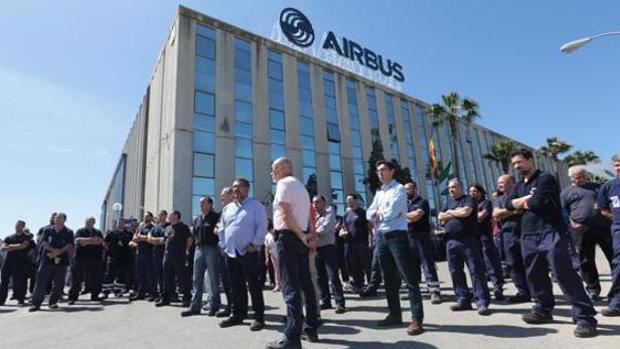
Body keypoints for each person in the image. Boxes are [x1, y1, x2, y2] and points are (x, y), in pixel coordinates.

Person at [506, 149, 597, 337]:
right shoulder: (518, 186)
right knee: (535, 275)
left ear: (530, 160)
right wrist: (523, 202)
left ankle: (584, 317)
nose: (517, 166)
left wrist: (519, 204)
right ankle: (542, 310)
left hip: (551, 232)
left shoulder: (545, 178)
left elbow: (537, 202)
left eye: (520, 162)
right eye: (514, 164)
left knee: (564, 273)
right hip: (528, 234)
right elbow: (507, 203)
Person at [267, 157, 320, 349]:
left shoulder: (283, 184)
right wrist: (307, 235)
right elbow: (306, 215)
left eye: (273, 169)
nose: (272, 173)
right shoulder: (301, 186)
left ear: (281, 169)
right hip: (300, 239)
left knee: (291, 289)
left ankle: (292, 338)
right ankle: (311, 328)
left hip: (289, 238)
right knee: (306, 285)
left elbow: (285, 214)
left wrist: (300, 234)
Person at [367, 160, 424, 335]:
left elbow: (394, 213)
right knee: (388, 278)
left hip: (397, 237)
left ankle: (417, 319)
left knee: (409, 278)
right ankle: (395, 314)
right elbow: (369, 213)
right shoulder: (380, 192)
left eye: (383, 170)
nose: (380, 173)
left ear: (392, 171)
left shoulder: (399, 189)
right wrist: (377, 214)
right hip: (382, 238)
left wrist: (378, 214)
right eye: (378, 171)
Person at [217, 178, 268, 331]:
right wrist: (224, 244)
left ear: (247, 189)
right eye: (233, 188)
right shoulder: (228, 208)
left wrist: (255, 243)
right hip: (231, 253)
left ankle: (259, 318)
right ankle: (238, 315)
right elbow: (222, 228)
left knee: (254, 285)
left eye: (238, 187)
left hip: (248, 252)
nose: (235, 190)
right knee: (235, 285)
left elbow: (262, 225)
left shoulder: (255, 206)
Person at [561, 165, 614, 301]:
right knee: (586, 259)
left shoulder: (598, 187)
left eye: (583, 176)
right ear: (571, 178)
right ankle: (593, 289)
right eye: (578, 177)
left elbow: (609, 201)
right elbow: (563, 210)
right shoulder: (566, 192)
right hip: (582, 229)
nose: (581, 179)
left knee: (613, 256)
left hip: (603, 226)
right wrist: (571, 222)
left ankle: (617, 288)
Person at [439, 179, 491, 315]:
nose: (451, 190)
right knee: (455, 271)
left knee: (476, 271)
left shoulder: (468, 199)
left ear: (460, 188)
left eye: (454, 187)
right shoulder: (448, 203)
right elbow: (440, 216)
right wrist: (453, 212)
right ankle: (463, 299)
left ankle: (482, 302)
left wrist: (450, 213)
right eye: (449, 188)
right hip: (451, 241)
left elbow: (466, 212)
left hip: (468, 240)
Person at [492, 174, 530, 303]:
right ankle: (523, 292)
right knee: (513, 263)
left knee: (530, 262)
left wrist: (505, 212)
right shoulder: (499, 199)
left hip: (524, 232)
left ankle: (537, 291)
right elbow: (496, 215)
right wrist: (514, 211)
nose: (499, 185)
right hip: (507, 234)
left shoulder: (521, 194)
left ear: (512, 183)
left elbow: (525, 207)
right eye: (498, 183)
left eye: (502, 182)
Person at [181, 197, 221, 317]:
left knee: (213, 279)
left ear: (210, 204)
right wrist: (189, 251)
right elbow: (193, 236)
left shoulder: (216, 217)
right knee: (196, 279)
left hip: (211, 249)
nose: (200, 205)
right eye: (199, 203)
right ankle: (195, 307)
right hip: (198, 249)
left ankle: (214, 306)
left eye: (203, 203)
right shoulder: (197, 219)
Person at [405, 182, 442, 304]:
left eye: (408, 189)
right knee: (411, 266)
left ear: (415, 189)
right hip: (409, 238)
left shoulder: (422, 202)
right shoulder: (405, 204)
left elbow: (417, 216)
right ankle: (414, 292)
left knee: (427, 265)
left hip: (422, 238)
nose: (406, 192)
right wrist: (405, 217)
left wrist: (401, 217)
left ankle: (434, 292)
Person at [30, 212, 74, 311]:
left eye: (59, 218)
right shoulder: (47, 230)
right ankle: (36, 304)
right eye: (55, 218)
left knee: (59, 283)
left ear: (64, 220)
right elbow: (43, 242)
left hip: (62, 261)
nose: (57, 219)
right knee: (41, 282)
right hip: (47, 260)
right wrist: (53, 251)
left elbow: (69, 244)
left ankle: (53, 302)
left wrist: (60, 251)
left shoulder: (69, 232)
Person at [469, 184, 505, 301]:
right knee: (477, 266)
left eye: (474, 191)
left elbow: (481, 216)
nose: (472, 193)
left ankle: (497, 288)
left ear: (480, 192)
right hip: (474, 239)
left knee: (491, 263)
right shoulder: (471, 204)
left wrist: (466, 217)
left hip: (485, 238)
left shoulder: (486, 203)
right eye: (470, 191)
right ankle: (479, 291)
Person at [312, 195, 346, 314]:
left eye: (317, 202)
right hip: (317, 248)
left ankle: (339, 302)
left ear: (324, 202)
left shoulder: (329, 212)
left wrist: (312, 234)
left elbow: (324, 229)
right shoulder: (313, 216)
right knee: (320, 277)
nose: (315, 205)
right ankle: (325, 300)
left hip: (328, 248)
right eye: (313, 203)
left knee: (333, 276)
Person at [597, 153, 620, 317]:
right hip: (618, 229)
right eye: (617, 165)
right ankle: (616, 303)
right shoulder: (608, 187)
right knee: (619, 265)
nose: (619, 168)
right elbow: (603, 210)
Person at [156, 210, 193, 307]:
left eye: (170, 215)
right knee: (167, 279)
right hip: (167, 257)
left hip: (179, 257)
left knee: (182, 278)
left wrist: (186, 250)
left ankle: (187, 298)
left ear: (176, 216)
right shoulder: (168, 228)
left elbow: (189, 239)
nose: (169, 217)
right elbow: (164, 240)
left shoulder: (183, 227)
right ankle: (166, 299)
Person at [68, 217, 105, 304]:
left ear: (93, 223)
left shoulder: (98, 232)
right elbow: (78, 240)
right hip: (80, 258)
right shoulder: (80, 231)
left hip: (95, 258)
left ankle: (95, 296)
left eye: (90, 221)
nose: (88, 223)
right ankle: (72, 297)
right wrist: (92, 240)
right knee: (76, 279)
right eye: (87, 221)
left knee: (95, 279)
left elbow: (100, 241)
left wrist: (86, 242)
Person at [340, 194, 371, 294]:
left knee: (366, 264)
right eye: (347, 200)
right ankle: (359, 284)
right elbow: (343, 227)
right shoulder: (346, 214)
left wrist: (370, 241)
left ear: (356, 200)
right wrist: (342, 232)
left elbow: (370, 227)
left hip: (362, 242)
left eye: (350, 200)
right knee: (354, 264)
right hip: (350, 243)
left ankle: (371, 284)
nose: (348, 202)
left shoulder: (363, 213)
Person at [0, 220, 34, 306]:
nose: (17, 227)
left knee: (20, 282)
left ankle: (20, 299)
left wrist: (11, 246)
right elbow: (3, 248)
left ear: (23, 226)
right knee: (4, 281)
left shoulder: (27, 237)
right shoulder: (9, 237)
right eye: (16, 225)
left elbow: (24, 246)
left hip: (21, 263)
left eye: (19, 225)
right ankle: (1, 299)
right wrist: (16, 246)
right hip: (8, 262)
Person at [101, 219, 134, 298]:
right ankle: (106, 291)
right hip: (113, 257)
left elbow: (132, 242)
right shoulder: (112, 233)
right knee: (109, 273)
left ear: (124, 224)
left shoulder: (129, 234)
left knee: (121, 274)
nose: (120, 224)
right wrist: (109, 250)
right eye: (119, 223)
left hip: (124, 257)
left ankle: (118, 291)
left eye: (122, 223)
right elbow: (104, 242)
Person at [131, 213, 158, 301]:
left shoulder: (153, 227)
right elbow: (134, 237)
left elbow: (150, 238)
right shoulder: (140, 227)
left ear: (151, 217)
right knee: (140, 274)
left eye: (147, 216)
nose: (145, 217)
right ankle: (141, 293)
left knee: (150, 275)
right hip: (139, 253)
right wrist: (138, 238)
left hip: (149, 254)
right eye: (144, 216)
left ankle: (153, 294)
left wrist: (141, 238)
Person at [148, 210, 168, 297]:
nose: (159, 217)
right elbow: (149, 238)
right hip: (156, 253)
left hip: (165, 253)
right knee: (158, 274)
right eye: (159, 215)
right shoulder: (155, 227)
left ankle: (167, 293)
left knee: (166, 274)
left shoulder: (169, 226)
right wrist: (156, 241)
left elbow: (166, 240)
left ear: (165, 216)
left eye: (161, 215)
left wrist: (155, 240)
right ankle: (159, 293)